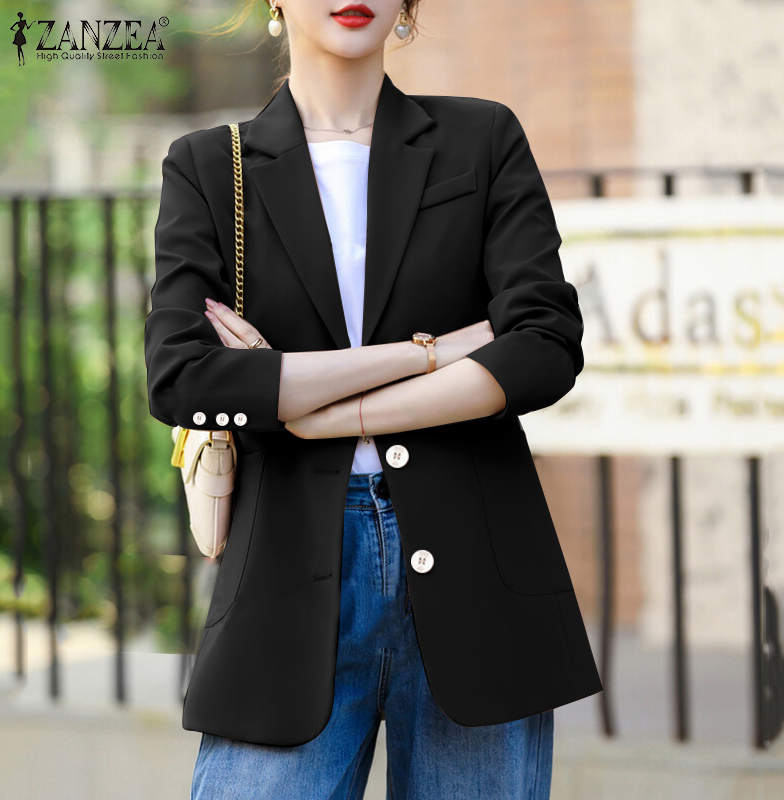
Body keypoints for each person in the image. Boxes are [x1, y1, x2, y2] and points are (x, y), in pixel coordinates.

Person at [146, 1, 602, 797]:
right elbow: (181, 376)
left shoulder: (482, 138)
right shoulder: (211, 166)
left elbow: (544, 346)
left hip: (480, 578)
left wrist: (321, 410)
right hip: (285, 584)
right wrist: (430, 352)